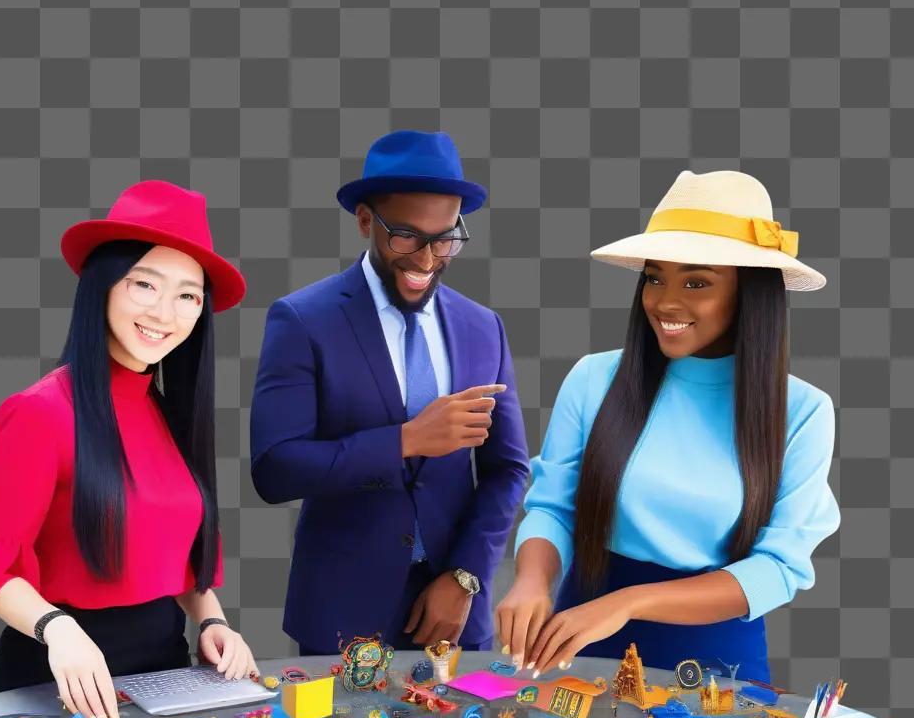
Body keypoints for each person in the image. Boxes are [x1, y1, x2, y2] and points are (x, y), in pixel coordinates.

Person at [496, 169, 840, 684]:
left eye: (696, 281)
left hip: (714, 655)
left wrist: (630, 602)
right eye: (655, 277)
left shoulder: (803, 411)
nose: (664, 302)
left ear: (752, 293)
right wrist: (530, 581)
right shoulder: (594, 378)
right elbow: (553, 507)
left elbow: (777, 568)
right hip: (574, 639)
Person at [0, 181, 259, 718]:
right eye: (145, 284)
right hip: (56, 674)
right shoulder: (39, 412)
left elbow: (182, 559)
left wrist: (213, 624)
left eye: (188, 295)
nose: (166, 313)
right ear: (103, 285)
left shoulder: (173, 415)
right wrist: (58, 629)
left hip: (166, 675)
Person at [251, 130, 529, 656]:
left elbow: (508, 468)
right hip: (341, 614)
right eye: (406, 235)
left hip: (455, 617)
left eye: (445, 237)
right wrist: (404, 440)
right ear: (364, 221)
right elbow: (274, 469)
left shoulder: (482, 327)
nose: (427, 258)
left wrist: (465, 575)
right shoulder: (302, 320)